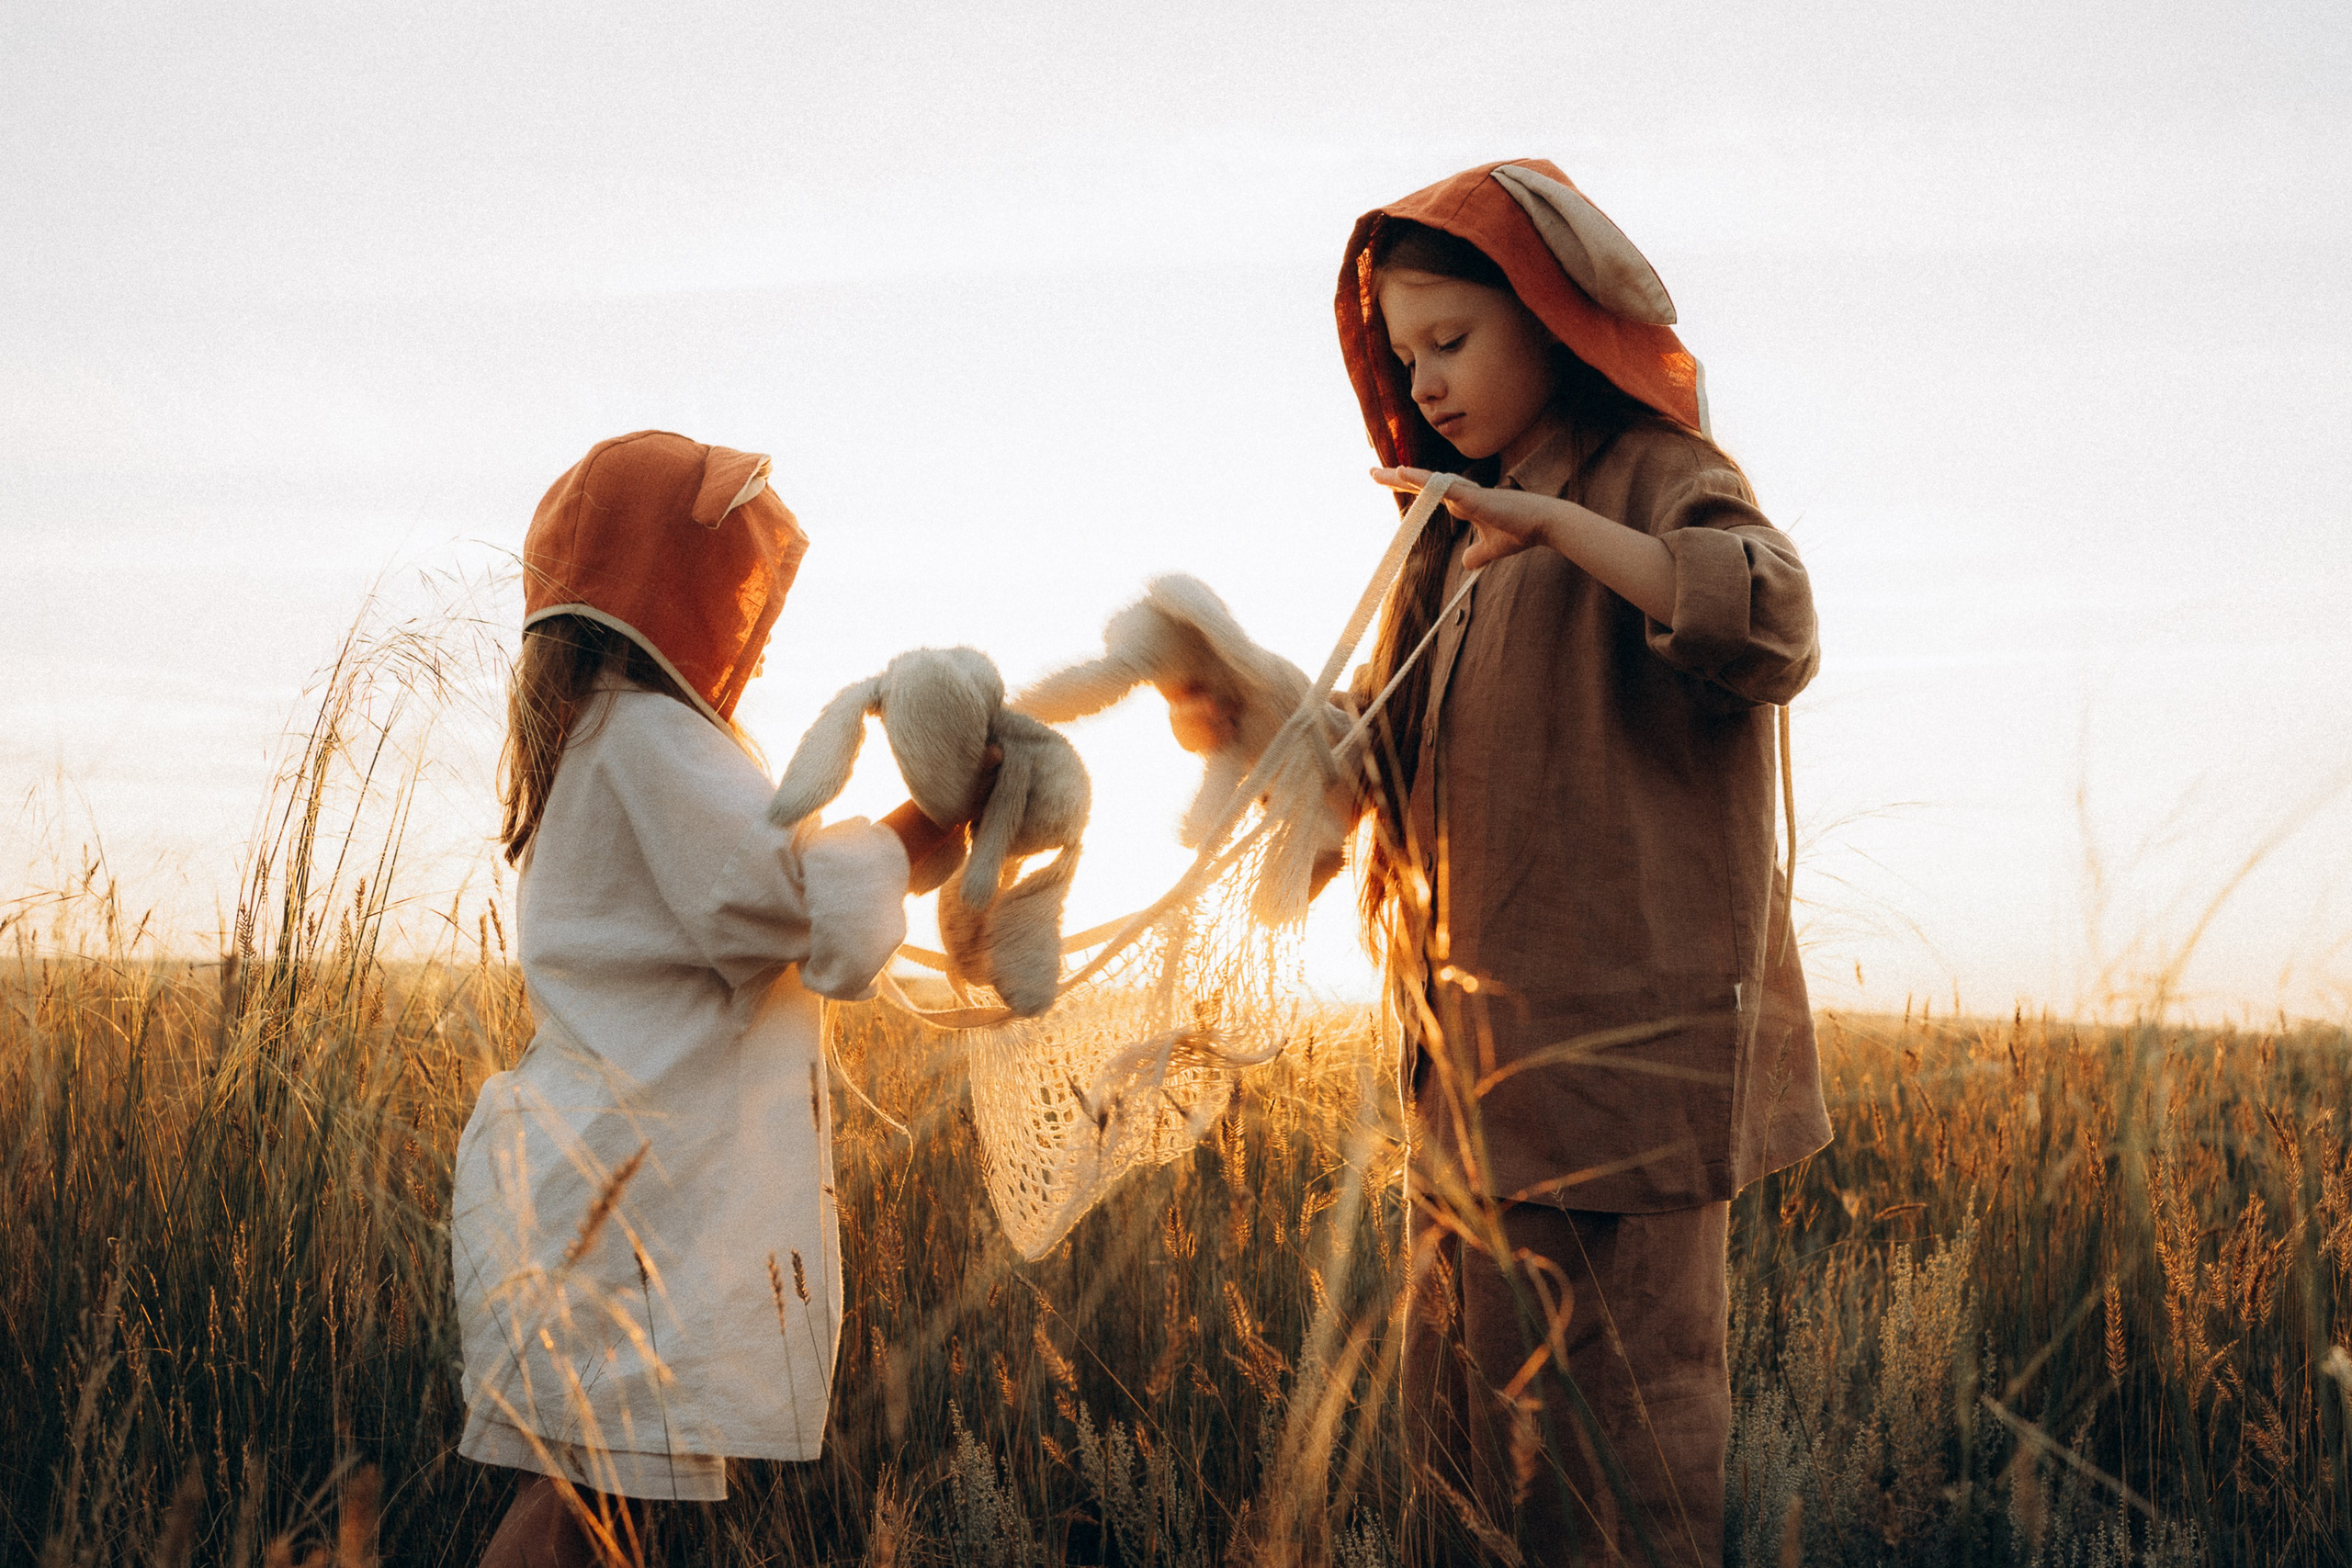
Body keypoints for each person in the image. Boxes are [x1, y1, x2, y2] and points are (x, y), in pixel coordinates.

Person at [1173, 162, 1831, 1564]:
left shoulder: (1660, 476)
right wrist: (1249, 714)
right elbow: (1381, 770)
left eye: (1454, 343)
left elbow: (1773, 623)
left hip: (1627, 1091)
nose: (1424, 386)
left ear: (1553, 317)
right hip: (1466, 1087)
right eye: (1405, 356)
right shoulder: (1447, 538)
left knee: (1629, 1463)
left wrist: (1565, 533)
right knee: (1473, 1466)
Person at [449, 431, 979, 1567]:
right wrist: (930, 820)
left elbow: (775, 908)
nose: (754, 611)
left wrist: (914, 846)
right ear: (665, 584)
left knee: (599, 1496)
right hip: (634, 1197)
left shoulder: (601, 732)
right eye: (729, 579)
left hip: (603, 1172)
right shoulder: (648, 737)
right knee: (592, 1506)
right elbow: (779, 903)